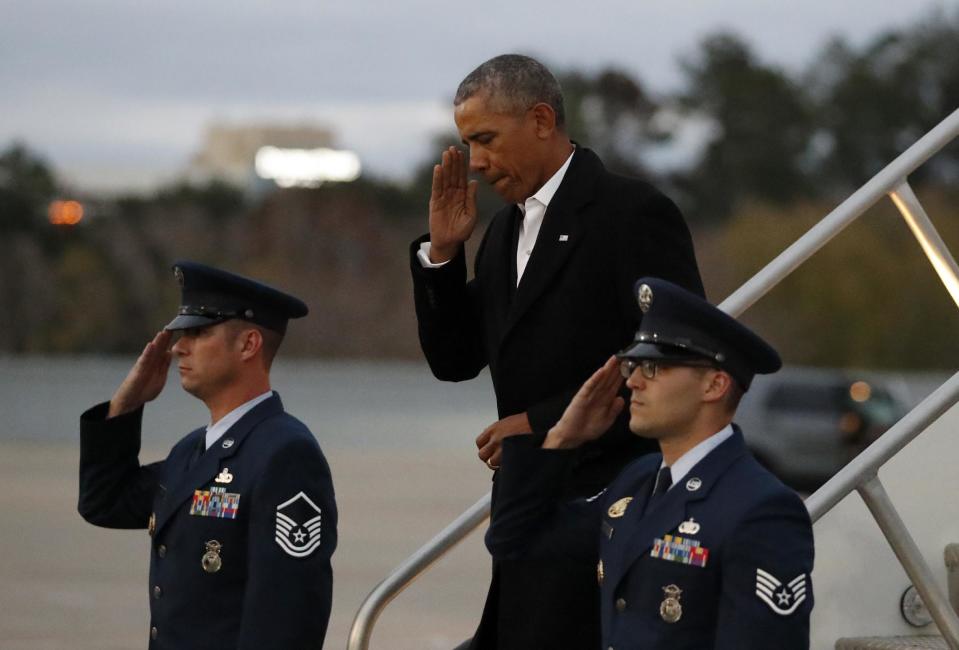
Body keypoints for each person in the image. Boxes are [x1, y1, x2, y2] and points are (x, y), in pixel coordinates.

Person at [409, 54, 704, 649]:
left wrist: (540, 424)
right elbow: (455, 361)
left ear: (541, 119)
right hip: (531, 515)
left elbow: (677, 360)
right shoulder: (501, 235)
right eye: (468, 144)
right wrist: (442, 256)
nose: (479, 163)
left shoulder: (631, 213)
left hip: (615, 512)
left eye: (487, 140)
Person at [487, 277, 815, 649]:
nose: (634, 383)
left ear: (714, 386)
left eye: (655, 368)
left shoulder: (762, 509)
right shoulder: (638, 481)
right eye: (633, 366)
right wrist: (562, 438)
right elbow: (515, 542)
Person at [77, 261, 337, 650]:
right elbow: (104, 501)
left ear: (249, 344)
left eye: (198, 332)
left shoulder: (285, 454)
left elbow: (287, 619)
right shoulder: (192, 451)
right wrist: (126, 404)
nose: (179, 346)